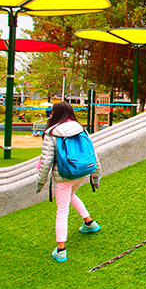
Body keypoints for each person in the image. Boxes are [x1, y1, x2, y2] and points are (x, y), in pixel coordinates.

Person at [35, 101, 102, 263]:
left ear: (54, 113)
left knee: (62, 209)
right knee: (70, 195)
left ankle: (61, 249)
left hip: (64, 175)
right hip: (83, 171)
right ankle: (89, 222)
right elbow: (92, 153)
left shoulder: (52, 132)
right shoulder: (81, 128)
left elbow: (46, 162)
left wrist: (40, 183)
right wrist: (96, 176)